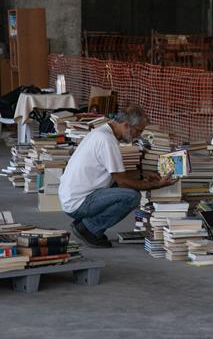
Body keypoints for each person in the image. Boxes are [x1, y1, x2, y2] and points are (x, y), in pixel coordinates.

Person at [59, 106, 176, 247]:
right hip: (78, 203)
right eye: (138, 131)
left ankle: (86, 224)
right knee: (132, 196)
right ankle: (89, 228)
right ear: (126, 125)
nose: (138, 136)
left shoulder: (101, 132)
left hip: (73, 198)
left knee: (130, 187)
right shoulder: (107, 140)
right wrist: (156, 185)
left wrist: (142, 174)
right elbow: (123, 182)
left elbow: (117, 174)